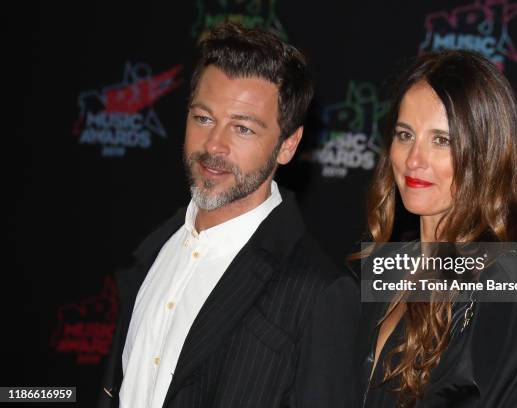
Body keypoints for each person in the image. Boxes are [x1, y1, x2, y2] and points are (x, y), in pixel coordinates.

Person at [99, 22, 359, 408]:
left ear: (288, 145)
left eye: (242, 128)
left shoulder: (318, 293)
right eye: (203, 119)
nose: (213, 145)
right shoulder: (154, 251)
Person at [357, 50, 517, 407]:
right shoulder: (382, 271)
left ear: (485, 154)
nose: (413, 160)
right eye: (404, 134)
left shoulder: (510, 293)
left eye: (442, 140)